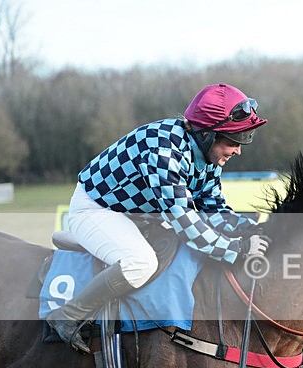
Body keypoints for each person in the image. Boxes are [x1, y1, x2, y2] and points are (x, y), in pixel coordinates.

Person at [46, 83, 269, 354]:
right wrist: (237, 249)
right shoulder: (165, 153)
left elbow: (213, 209)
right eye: (233, 141)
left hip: (134, 217)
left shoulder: (205, 157)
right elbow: (188, 224)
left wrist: (252, 230)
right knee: (140, 264)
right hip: (96, 210)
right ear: (208, 134)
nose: (238, 150)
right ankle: (67, 316)